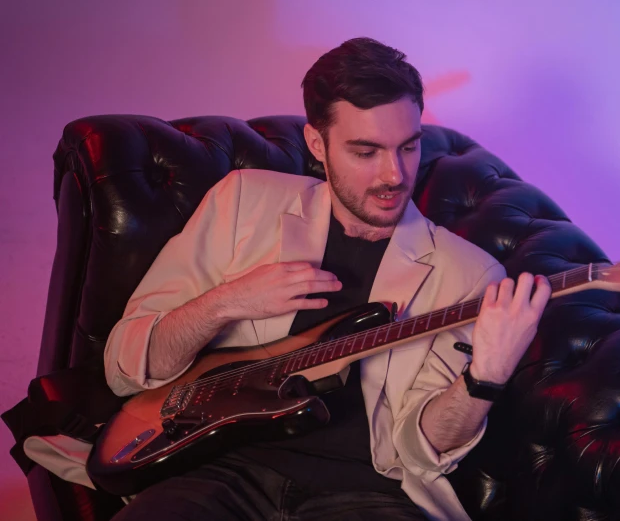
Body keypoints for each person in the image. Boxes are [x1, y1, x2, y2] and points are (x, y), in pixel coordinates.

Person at [104, 37, 551, 521]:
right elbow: (128, 365)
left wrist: (484, 380)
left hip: (366, 495)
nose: (394, 175)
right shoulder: (242, 204)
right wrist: (225, 303)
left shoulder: (467, 273)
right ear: (317, 144)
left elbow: (423, 450)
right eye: (366, 151)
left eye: (408, 147)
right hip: (218, 473)